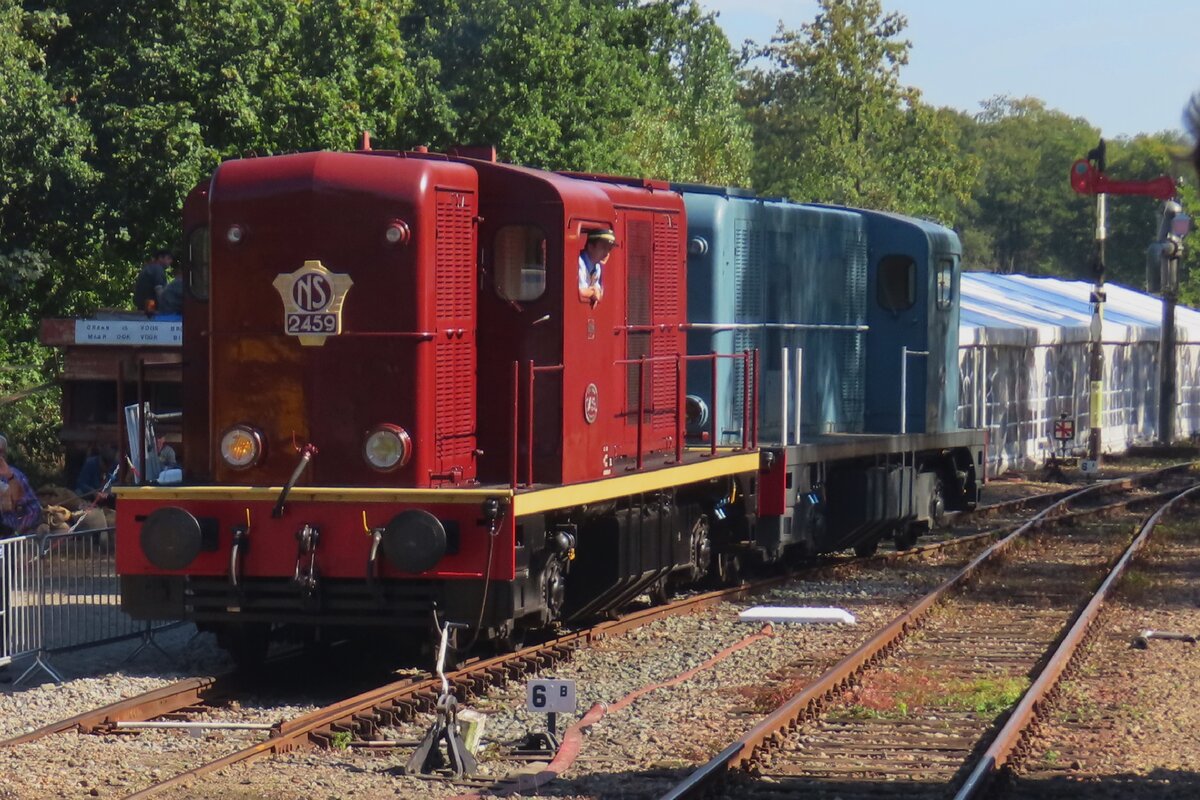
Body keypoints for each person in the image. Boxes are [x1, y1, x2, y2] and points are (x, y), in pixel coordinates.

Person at [0, 434, 42, 538]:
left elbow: (34, 509)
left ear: (5, 454)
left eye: (0, 451)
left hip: (8, 539)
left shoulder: (15, 477)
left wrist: (17, 532)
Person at [577, 228, 616, 305]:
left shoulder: (597, 267)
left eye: (609, 249)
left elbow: (598, 290)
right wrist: (593, 293)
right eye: (603, 248)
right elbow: (579, 291)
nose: (607, 253)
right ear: (590, 247)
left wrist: (595, 291)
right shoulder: (579, 263)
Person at [133, 249, 174, 313]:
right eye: (168, 258)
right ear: (160, 258)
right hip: (151, 310)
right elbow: (159, 292)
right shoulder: (158, 269)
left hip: (142, 308)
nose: (171, 261)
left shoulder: (147, 268)